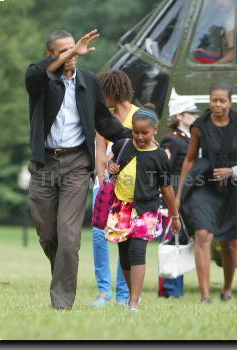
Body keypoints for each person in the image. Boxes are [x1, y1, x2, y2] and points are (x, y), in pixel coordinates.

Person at [25, 30, 131, 310]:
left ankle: (61, 302)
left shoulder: (89, 82)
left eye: (74, 49)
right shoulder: (41, 81)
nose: (73, 55)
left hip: (76, 165)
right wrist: (68, 56)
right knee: (49, 235)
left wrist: (135, 137)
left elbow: (104, 122)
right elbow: (34, 76)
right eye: (64, 51)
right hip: (44, 165)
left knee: (69, 238)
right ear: (50, 55)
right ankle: (62, 274)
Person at [176, 81, 237, 303]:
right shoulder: (199, 125)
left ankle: (227, 289)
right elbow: (189, 160)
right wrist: (178, 195)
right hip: (205, 184)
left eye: (222, 101)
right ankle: (205, 295)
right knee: (202, 235)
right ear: (209, 101)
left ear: (230, 102)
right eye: (213, 100)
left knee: (230, 242)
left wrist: (234, 170)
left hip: (234, 187)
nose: (217, 105)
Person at [106, 108, 182, 312]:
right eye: (135, 132)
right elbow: (110, 163)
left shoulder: (159, 156)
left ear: (155, 130)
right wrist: (110, 165)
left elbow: (167, 189)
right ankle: (134, 296)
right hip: (121, 207)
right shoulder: (122, 145)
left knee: (137, 251)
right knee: (124, 255)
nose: (139, 137)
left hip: (146, 208)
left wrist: (174, 216)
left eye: (144, 133)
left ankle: (133, 303)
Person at [91, 70, 139, 307]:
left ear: (112, 92)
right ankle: (103, 291)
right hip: (105, 185)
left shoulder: (139, 116)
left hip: (129, 189)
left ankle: (122, 294)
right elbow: (100, 150)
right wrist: (101, 180)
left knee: (124, 238)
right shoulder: (103, 117)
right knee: (99, 236)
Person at [158, 97, 200, 298]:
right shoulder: (173, 139)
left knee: (181, 240)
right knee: (172, 241)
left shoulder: (190, 138)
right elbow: (164, 169)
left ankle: (176, 289)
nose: (195, 116)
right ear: (180, 116)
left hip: (188, 195)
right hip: (174, 196)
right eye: (191, 113)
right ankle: (169, 289)